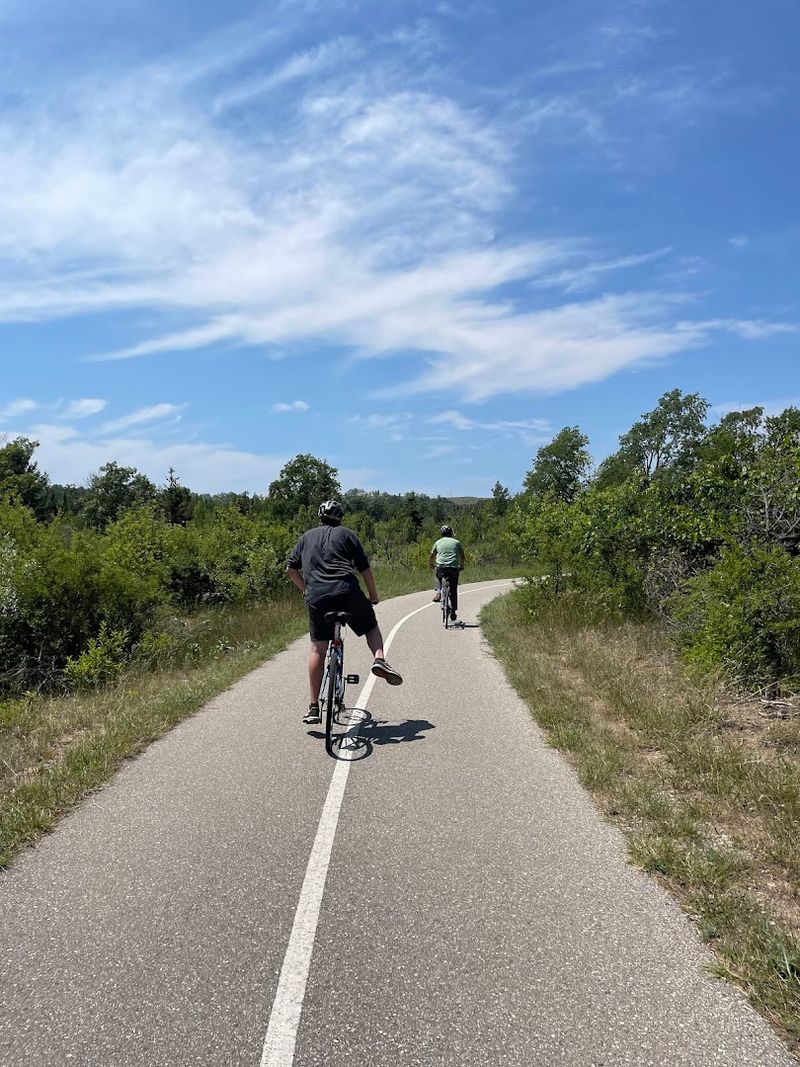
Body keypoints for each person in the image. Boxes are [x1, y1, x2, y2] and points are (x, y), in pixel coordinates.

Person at [287, 499, 403, 724]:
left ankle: (313, 707)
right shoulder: (348, 535)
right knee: (370, 626)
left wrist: (306, 589)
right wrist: (373, 596)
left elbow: (290, 569)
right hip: (347, 591)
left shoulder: (305, 537)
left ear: (319, 517)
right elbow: (364, 569)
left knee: (318, 649)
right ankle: (379, 659)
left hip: (317, 597)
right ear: (340, 518)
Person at [429, 524, 466, 621]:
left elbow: (431, 556)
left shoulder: (437, 542)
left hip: (441, 568)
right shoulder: (457, 542)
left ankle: (438, 593)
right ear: (451, 533)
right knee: (453, 590)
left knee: (437, 575)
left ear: (442, 534)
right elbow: (462, 556)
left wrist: (431, 564)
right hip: (453, 569)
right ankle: (453, 611)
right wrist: (461, 566)